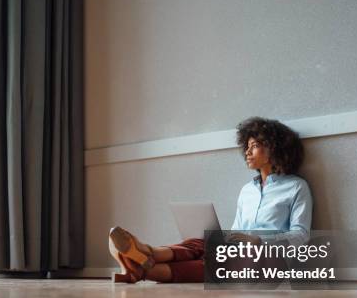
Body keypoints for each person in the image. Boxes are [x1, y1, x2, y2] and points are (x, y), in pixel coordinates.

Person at [108, 117, 313, 283]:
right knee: (204, 244)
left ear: (274, 150)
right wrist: (226, 241)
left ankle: (135, 259)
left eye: (255, 146)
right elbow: (237, 231)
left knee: (218, 262)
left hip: (269, 260)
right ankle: (144, 261)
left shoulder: (296, 187)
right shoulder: (247, 190)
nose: (247, 152)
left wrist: (259, 241)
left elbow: (301, 235)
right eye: (247, 147)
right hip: (240, 256)